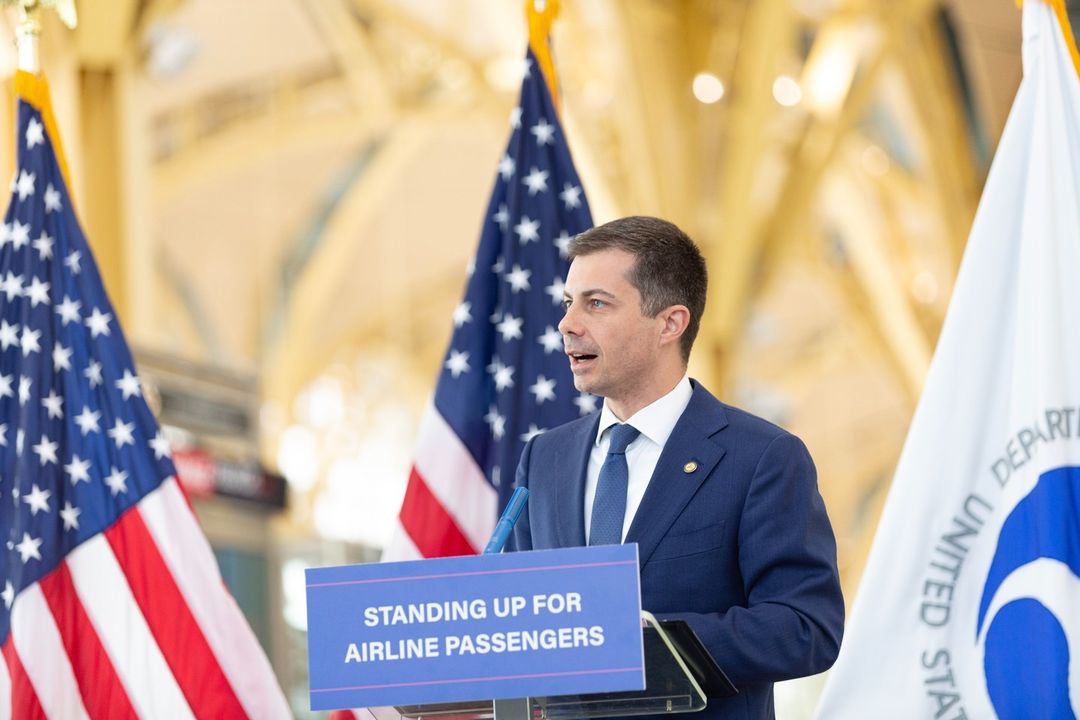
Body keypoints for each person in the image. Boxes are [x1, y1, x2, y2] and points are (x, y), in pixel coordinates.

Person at [511, 216, 844, 720]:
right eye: (568, 303)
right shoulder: (543, 459)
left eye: (595, 303)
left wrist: (645, 645)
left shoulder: (762, 458)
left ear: (670, 323)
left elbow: (805, 627)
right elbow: (521, 617)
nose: (567, 324)